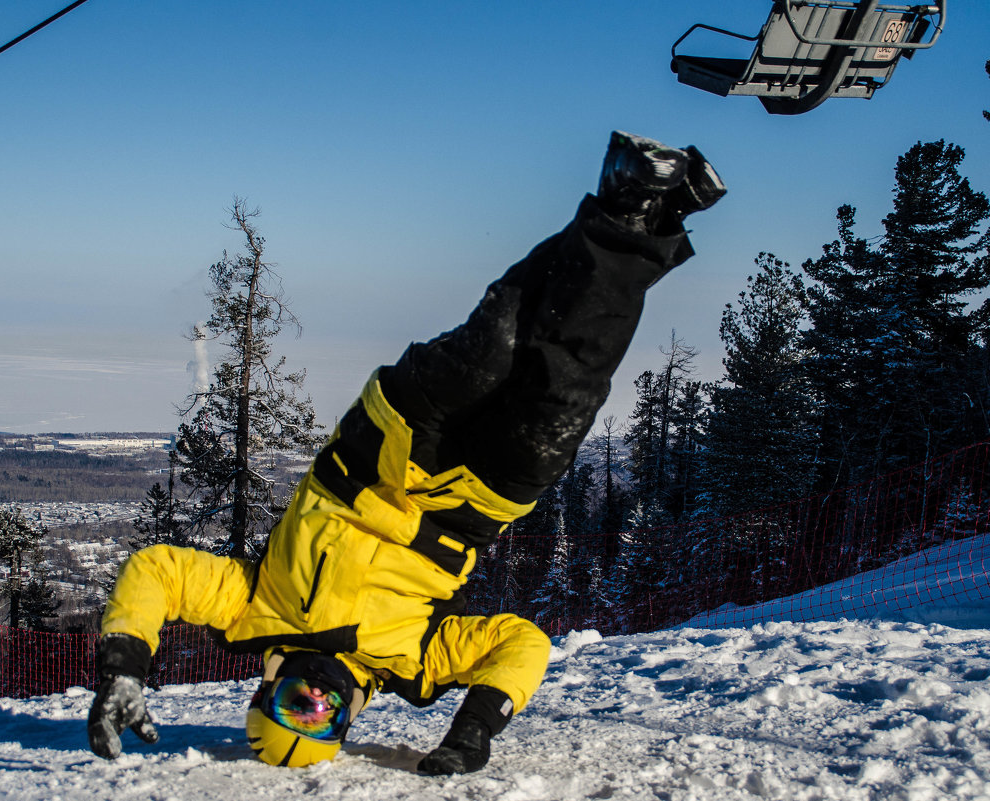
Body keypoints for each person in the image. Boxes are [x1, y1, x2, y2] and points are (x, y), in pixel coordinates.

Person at [86, 130, 726, 774]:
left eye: (292, 707)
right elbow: (519, 642)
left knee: (497, 340)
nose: (315, 696)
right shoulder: (414, 665)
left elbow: (156, 572)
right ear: (343, 721)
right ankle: (643, 208)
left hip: (390, 443)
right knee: (571, 372)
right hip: (479, 496)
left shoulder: (250, 609)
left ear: (265, 692)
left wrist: (124, 665)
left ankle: (634, 208)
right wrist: (477, 726)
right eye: (320, 718)